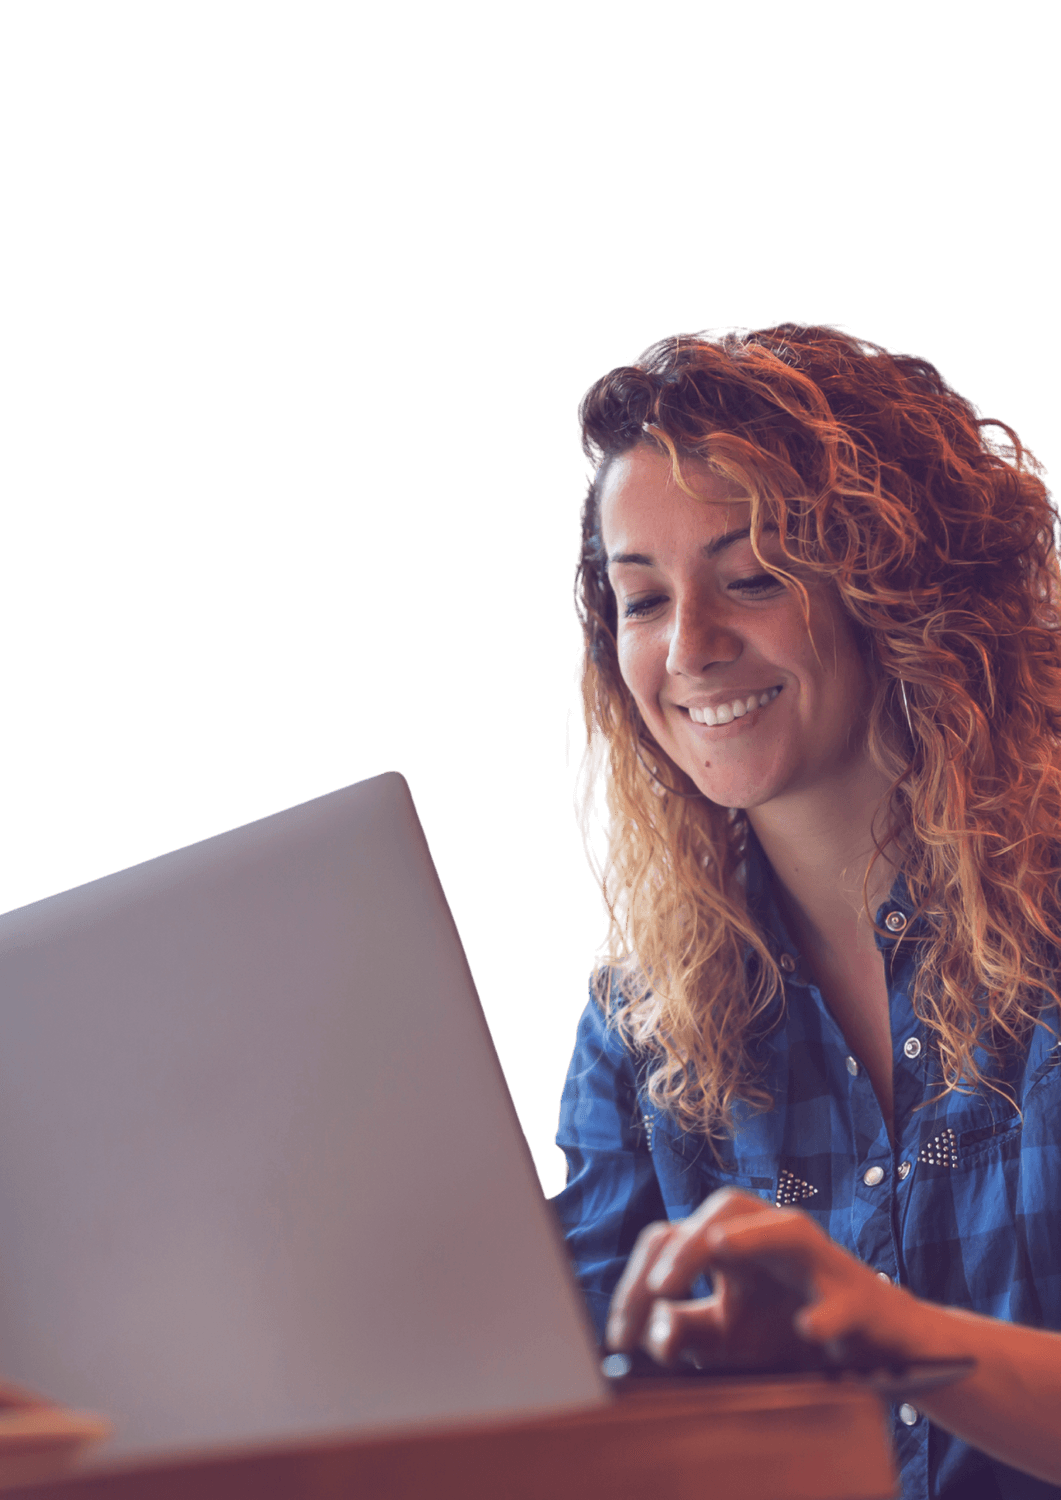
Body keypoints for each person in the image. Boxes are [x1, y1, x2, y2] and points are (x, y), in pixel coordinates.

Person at [552, 322, 1061, 1499]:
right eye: (641, 600)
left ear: (900, 589)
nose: (689, 648)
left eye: (752, 579)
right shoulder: (638, 1029)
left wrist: (895, 1338)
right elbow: (574, 1433)